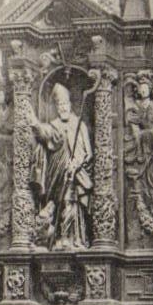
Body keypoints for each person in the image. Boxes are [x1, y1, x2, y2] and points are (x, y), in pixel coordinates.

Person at [29, 82, 93, 250]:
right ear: (57, 107)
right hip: (56, 175)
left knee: (70, 202)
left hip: (75, 174)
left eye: (65, 104)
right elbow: (43, 133)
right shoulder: (54, 126)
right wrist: (34, 122)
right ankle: (58, 237)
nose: (63, 108)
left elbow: (88, 153)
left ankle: (70, 238)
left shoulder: (80, 125)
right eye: (60, 105)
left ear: (70, 105)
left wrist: (76, 164)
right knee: (57, 204)